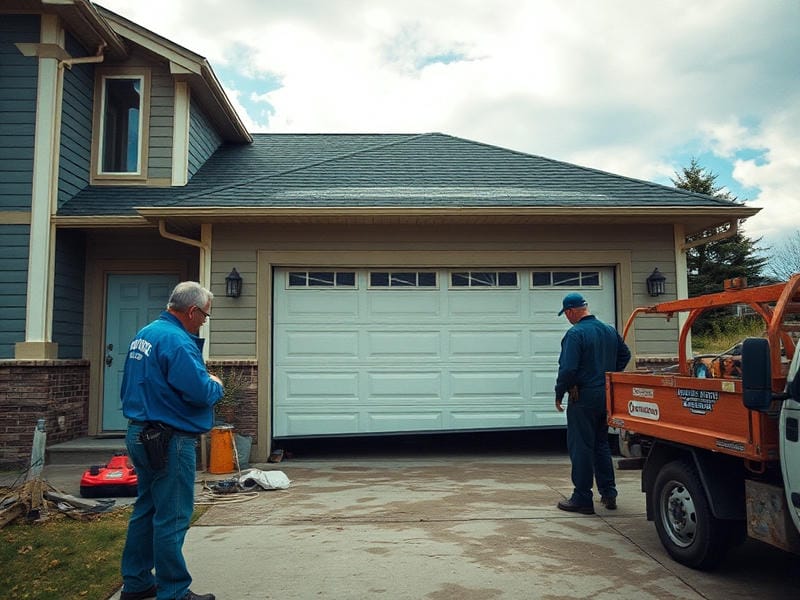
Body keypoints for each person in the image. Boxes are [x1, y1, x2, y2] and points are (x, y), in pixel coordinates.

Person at [119, 282, 224, 600]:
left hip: (140, 431)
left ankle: (136, 583)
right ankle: (174, 591)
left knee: (147, 509)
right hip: (169, 439)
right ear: (192, 311)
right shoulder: (177, 341)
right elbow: (198, 391)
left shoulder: (146, 333)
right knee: (173, 515)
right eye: (205, 315)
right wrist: (216, 383)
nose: (204, 321)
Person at [554, 292, 631, 515]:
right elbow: (625, 355)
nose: (567, 318)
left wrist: (559, 393)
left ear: (571, 311)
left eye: (566, 314)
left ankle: (582, 498)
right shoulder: (608, 330)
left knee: (581, 446)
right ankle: (609, 493)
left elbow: (568, 369)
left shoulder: (575, 334)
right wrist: (609, 375)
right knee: (601, 444)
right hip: (606, 395)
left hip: (583, 397)